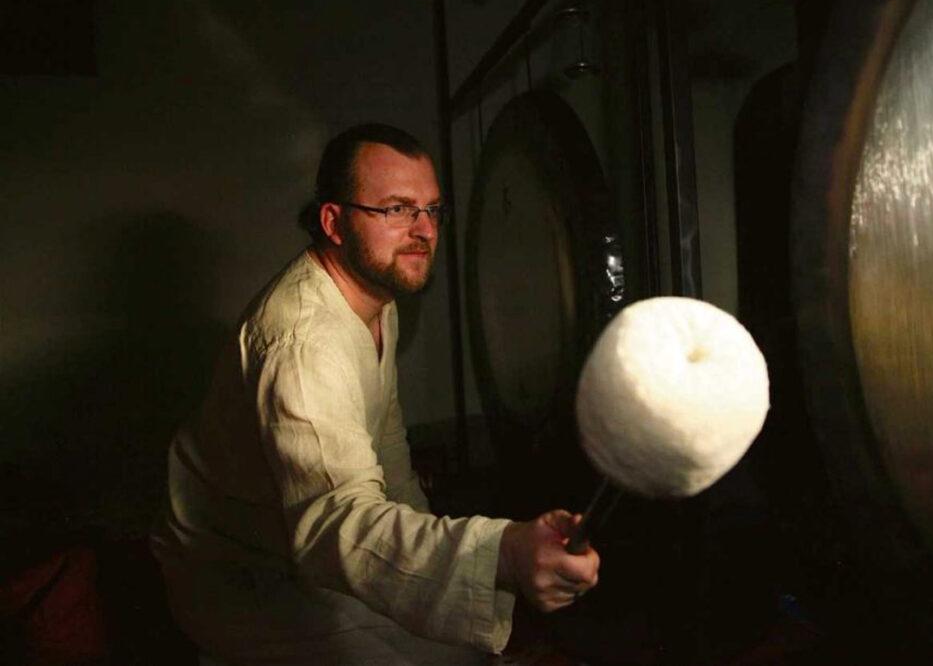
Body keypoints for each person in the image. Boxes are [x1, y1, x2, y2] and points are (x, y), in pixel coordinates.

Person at [151, 123, 600, 665]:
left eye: (432, 210)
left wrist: (435, 566)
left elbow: (389, 455)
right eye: (396, 209)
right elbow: (334, 525)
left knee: (465, 648)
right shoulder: (304, 344)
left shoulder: (377, 298)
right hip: (238, 573)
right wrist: (500, 554)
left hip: (298, 548)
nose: (424, 230)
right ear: (333, 222)